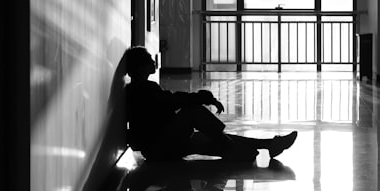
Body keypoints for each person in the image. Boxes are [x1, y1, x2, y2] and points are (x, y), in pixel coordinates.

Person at [123, 46, 298, 162]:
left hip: (162, 145)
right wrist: (205, 98)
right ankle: (238, 149)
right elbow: (175, 101)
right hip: (160, 147)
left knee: (220, 141)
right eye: (148, 59)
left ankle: (268, 145)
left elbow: (172, 100)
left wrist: (203, 98)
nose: (153, 61)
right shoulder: (142, 89)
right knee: (194, 113)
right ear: (140, 67)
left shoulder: (141, 88)